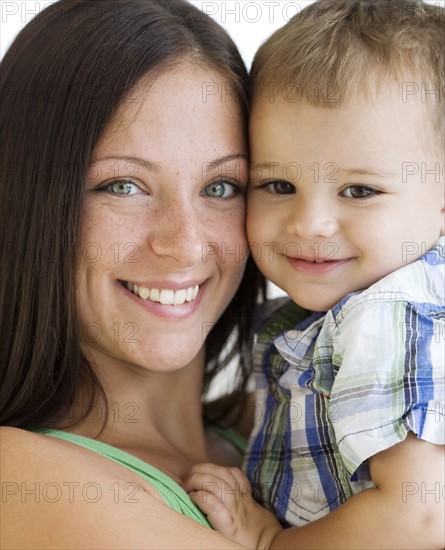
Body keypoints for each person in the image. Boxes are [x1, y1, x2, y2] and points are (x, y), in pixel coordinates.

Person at [0, 0, 267, 548]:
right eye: (123, 185)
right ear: (29, 203)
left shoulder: (268, 427)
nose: (184, 244)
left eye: (220, 187)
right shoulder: (22, 476)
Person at [183, 1, 445, 548]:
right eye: (278, 185)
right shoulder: (328, 314)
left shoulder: (386, 316)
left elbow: (420, 515)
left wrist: (269, 543)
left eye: (359, 191)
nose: (309, 223)